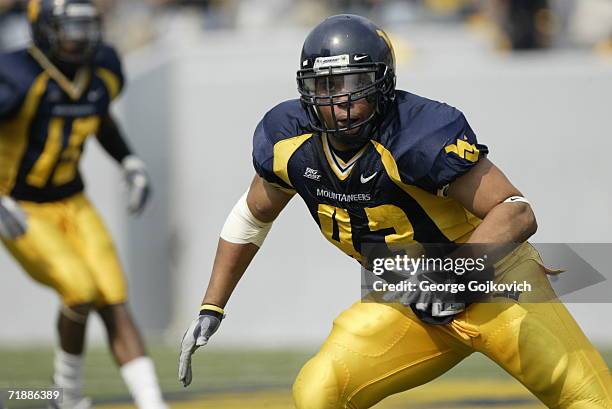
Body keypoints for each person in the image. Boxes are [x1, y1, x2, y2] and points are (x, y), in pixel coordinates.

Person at [178, 14, 612, 409]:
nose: (339, 103)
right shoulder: (287, 141)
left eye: (352, 85)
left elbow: (516, 212)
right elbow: (252, 214)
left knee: (592, 403)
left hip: (495, 281)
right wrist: (211, 306)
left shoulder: (416, 133)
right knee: (318, 391)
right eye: (326, 87)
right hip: (408, 297)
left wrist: (447, 276)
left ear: (381, 84)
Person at [0, 1, 167, 409]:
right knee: (79, 290)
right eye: (69, 28)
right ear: (43, 29)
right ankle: (66, 396)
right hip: (20, 206)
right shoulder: (15, 75)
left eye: (85, 27)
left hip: (73, 200)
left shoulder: (102, 69)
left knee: (112, 292)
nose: (79, 39)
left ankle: (151, 402)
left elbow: (98, 114)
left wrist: (128, 159)